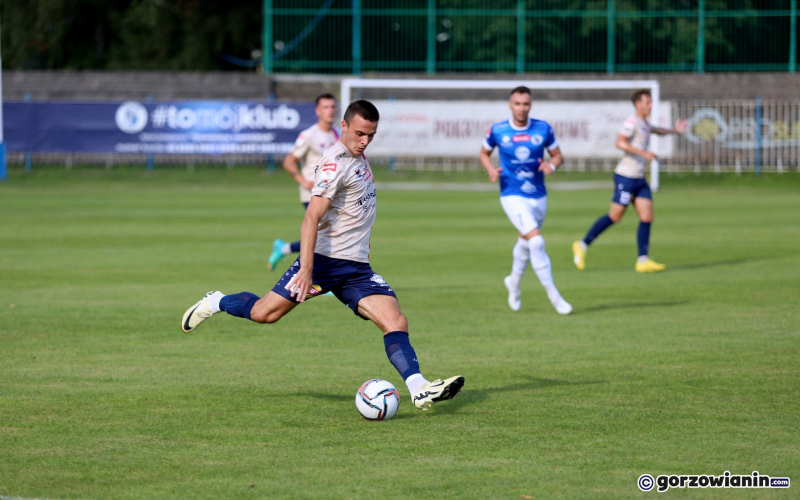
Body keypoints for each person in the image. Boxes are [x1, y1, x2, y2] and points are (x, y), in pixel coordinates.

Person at [182, 100, 464, 411]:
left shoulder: (356, 155)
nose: (365, 141)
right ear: (344, 126)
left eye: (371, 135)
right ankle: (217, 301)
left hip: (356, 268)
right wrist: (306, 268)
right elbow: (310, 217)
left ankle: (419, 388)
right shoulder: (335, 164)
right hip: (325, 263)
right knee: (265, 314)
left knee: (395, 320)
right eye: (359, 133)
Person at [479, 86, 572, 315]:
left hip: (539, 195)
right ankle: (555, 296)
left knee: (525, 241)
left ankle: (513, 283)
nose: (522, 108)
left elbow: (558, 155)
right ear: (510, 105)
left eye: (526, 104)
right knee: (537, 241)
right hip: (511, 194)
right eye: (518, 104)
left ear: (530, 105)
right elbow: (483, 153)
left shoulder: (543, 128)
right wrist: (490, 169)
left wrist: (552, 166)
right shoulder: (498, 130)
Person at [572, 89, 687, 273]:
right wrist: (643, 153)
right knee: (615, 217)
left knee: (647, 216)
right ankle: (582, 245)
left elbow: (658, 130)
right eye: (647, 102)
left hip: (639, 179)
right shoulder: (631, 122)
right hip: (626, 177)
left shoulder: (645, 123)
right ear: (637, 104)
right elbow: (620, 142)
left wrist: (675, 131)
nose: (651, 105)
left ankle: (642, 260)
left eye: (651, 102)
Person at [268, 93, 340, 271]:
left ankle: (283, 249)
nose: (330, 111)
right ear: (318, 111)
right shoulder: (309, 135)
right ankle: (313, 276)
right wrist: (303, 181)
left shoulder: (337, 133)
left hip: (331, 194)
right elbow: (289, 161)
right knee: (322, 237)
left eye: (332, 107)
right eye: (325, 107)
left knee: (327, 236)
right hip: (312, 194)